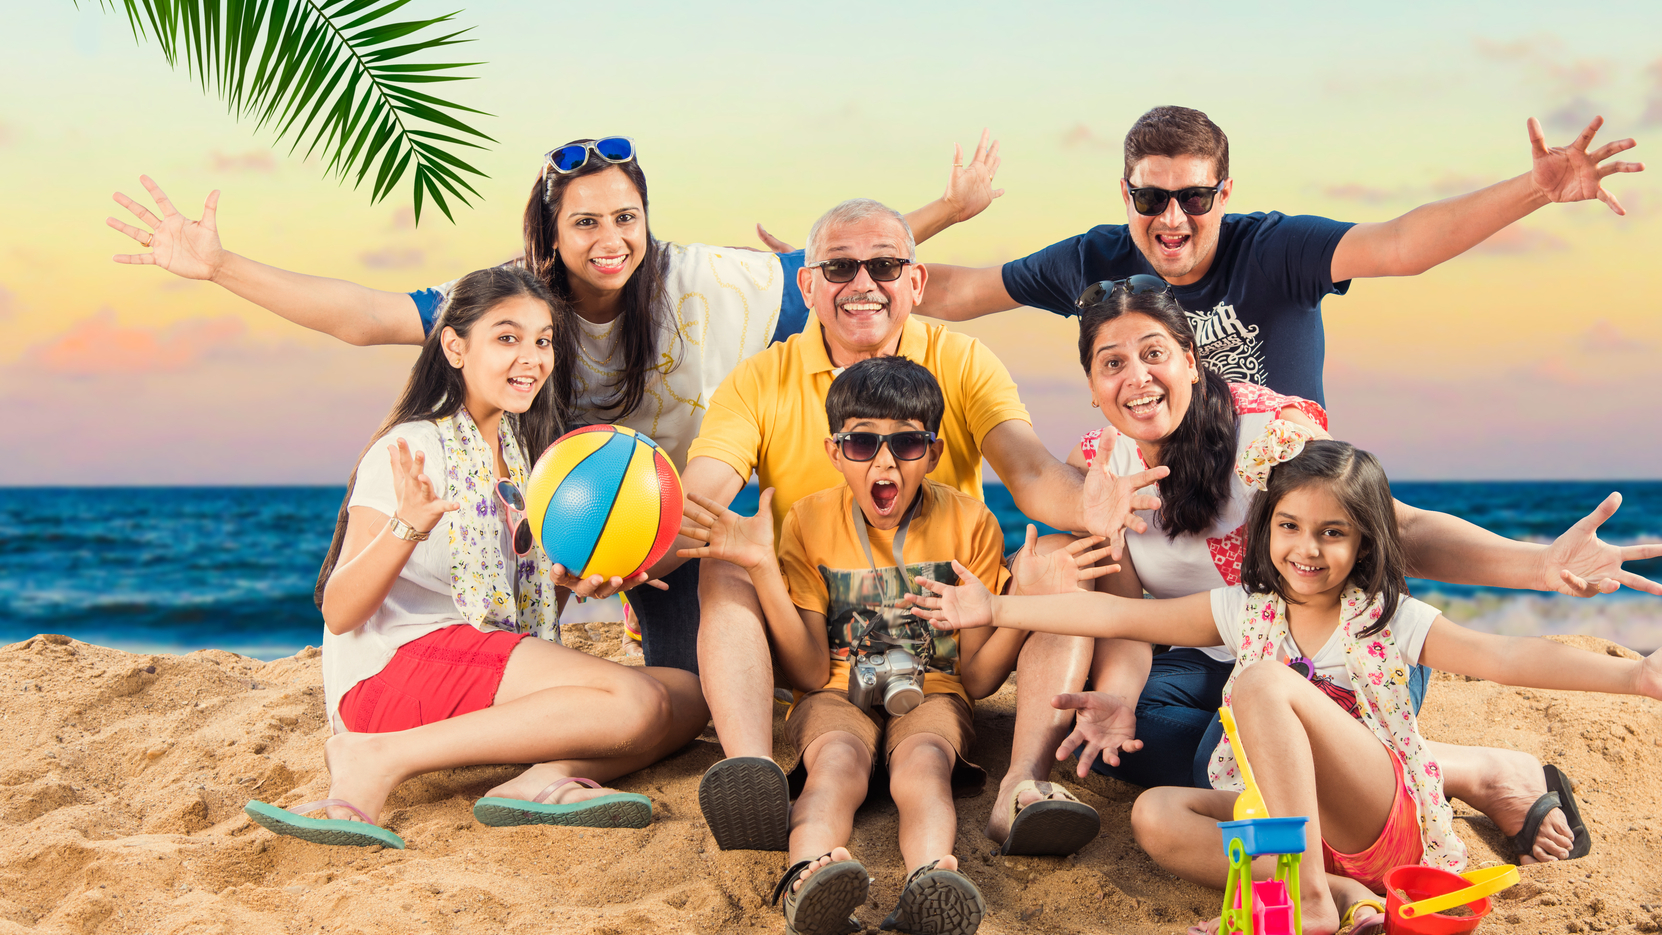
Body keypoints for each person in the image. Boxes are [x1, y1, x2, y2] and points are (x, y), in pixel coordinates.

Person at [105, 131, 1006, 670]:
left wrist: (954, 213)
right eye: (586, 221)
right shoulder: (516, 305)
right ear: (551, 232)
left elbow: (850, 269)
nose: (610, 239)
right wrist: (218, 265)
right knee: (688, 677)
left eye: (625, 218)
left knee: (749, 665)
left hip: (690, 519)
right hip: (583, 527)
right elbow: (363, 316)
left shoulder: (702, 280)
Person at [908, 434, 1662, 935]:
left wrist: (1639, 677)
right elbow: (1119, 616)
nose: (1309, 550)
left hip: (1381, 819)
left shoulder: (1388, 620)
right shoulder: (1246, 609)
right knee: (1159, 814)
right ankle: (1336, 895)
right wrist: (995, 601)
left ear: (1367, 541)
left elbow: (1514, 658)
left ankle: (1302, 902)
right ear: (1267, 532)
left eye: (1334, 533)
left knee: (1260, 685)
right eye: (1292, 528)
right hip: (1282, 835)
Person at [988, 281, 1662, 861]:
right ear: (1091, 386)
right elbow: (1129, 616)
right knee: (1118, 745)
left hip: (1333, 655)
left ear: (1193, 362)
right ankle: (1411, 773)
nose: (1136, 377)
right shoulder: (1101, 470)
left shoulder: (1267, 436)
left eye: (1154, 354)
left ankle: (1473, 767)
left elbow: (1394, 527)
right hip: (1212, 653)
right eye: (1112, 363)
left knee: (1223, 764)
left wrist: (1538, 565)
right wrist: (1118, 695)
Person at [662, 198, 1166, 851]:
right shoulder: (761, 380)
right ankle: (754, 770)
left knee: (1070, 548)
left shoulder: (962, 361)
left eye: (885, 265)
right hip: (818, 641)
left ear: (916, 282)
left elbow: (1029, 470)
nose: (864, 284)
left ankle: (1023, 782)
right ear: (807, 284)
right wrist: (622, 551)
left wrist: (1088, 506)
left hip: (947, 641)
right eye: (840, 268)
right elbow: (700, 500)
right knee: (725, 552)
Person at [242, 267, 707, 849]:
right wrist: (405, 526)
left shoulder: (537, 461)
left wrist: (579, 580)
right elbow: (339, 612)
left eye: (543, 340)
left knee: (688, 697)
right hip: (395, 671)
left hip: (482, 664)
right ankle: (376, 756)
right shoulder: (412, 447)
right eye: (507, 338)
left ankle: (542, 781)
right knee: (635, 701)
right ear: (455, 346)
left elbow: (529, 610)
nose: (531, 358)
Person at [674, 357, 1106, 935]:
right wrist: (760, 565)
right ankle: (807, 875)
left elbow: (975, 680)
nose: (883, 461)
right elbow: (804, 666)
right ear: (834, 451)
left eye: (906, 443)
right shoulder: (807, 520)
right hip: (834, 692)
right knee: (834, 766)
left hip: (933, 693)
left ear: (932, 451)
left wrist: (1021, 609)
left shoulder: (972, 523)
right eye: (860, 443)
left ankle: (931, 878)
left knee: (924, 769)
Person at [904, 105, 1642, 410]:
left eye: (1193, 198)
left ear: (1224, 192)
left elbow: (1402, 244)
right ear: (1123, 192)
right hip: (1170, 520)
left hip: (1281, 512)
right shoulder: (1095, 260)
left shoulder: (1275, 249)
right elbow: (952, 291)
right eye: (1150, 197)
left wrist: (1536, 191)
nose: (1170, 218)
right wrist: (844, 256)